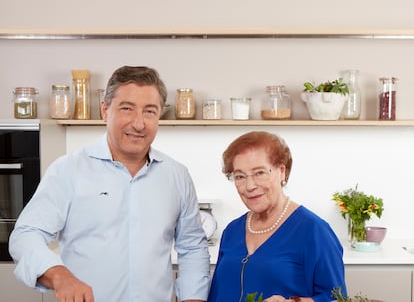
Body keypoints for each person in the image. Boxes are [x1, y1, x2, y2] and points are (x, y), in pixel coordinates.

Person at [9, 66, 211, 302]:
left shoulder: (177, 175)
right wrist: (59, 275)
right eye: (127, 108)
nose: (139, 123)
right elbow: (26, 235)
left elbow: (193, 248)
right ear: (105, 110)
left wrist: (193, 299)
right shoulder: (68, 171)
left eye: (149, 111)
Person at [207, 131, 346, 302]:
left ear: (281, 171)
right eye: (240, 176)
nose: (250, 185)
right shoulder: (232, 230)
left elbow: (337, 298)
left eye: (260, 173)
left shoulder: (314, 231)